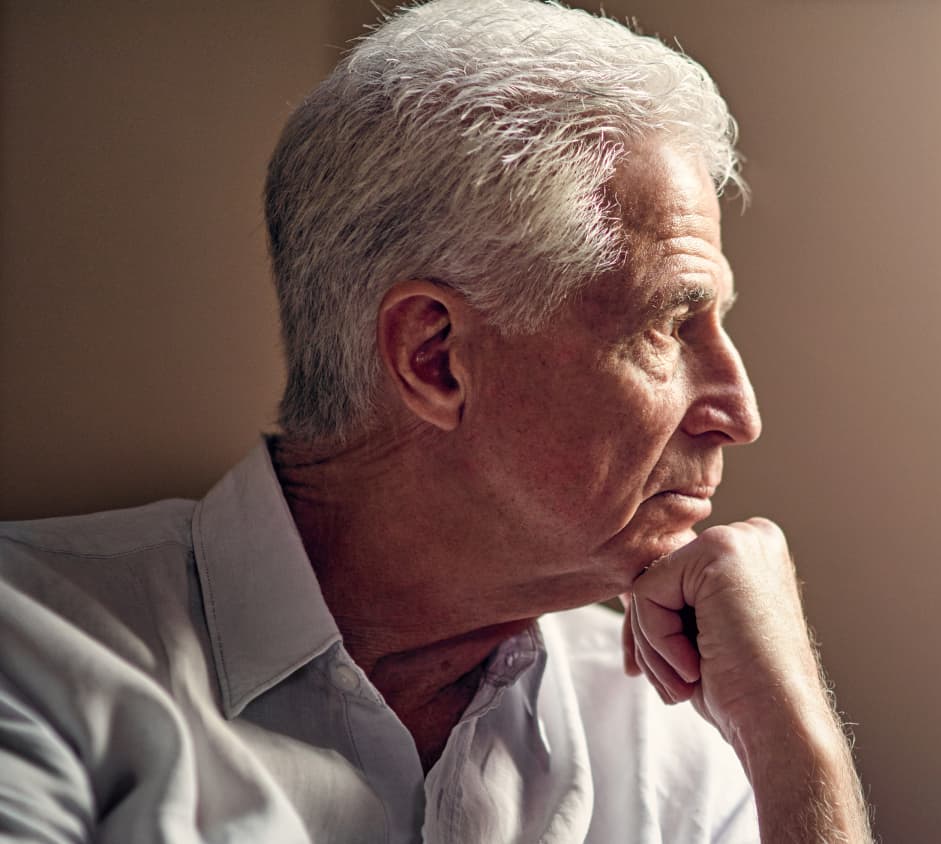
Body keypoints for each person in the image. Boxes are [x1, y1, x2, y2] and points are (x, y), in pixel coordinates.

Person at [0, 1, 870, 841]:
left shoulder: (680, 740)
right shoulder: (32, 650)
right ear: (435, 357)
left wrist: (799, 751)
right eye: (667, 325)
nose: (738, 413)